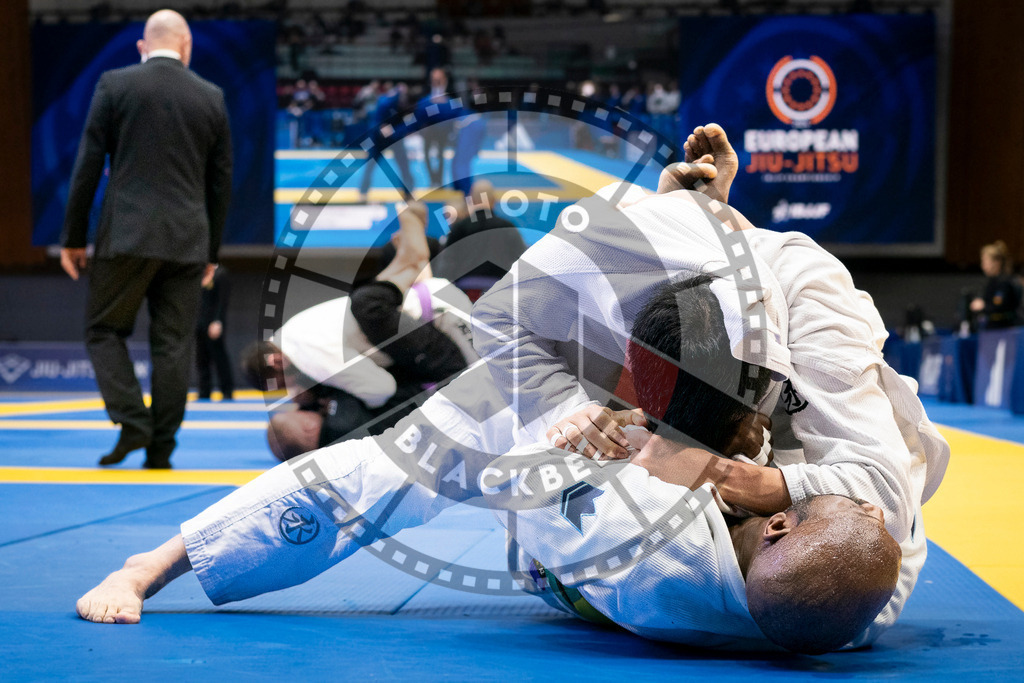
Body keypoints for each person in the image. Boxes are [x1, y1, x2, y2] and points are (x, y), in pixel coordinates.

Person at [74, 275, 900, 654]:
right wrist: (753, 472)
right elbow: (877, 499)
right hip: (618, 540)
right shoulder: (851, 607)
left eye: (850, 510)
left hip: (552, 541)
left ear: (783, 524)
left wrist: (584, 429)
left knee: (389, 471)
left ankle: (155, 561)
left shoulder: (632, 516)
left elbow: (474, 476)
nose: (869, 509)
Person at [60, 9, 233, 469]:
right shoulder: (210, 96)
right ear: (186, 45)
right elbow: (221, 183)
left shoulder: (115, 85)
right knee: (174, 345)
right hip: (188, 243)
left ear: (143, 46)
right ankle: (161, 449)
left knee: (103, 330)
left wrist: (73, 239)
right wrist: (211, 252)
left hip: (127, 236)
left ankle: (132, 421)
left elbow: (87, 167)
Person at [241, 204, 477, 461]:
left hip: (442, 318)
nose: (290, 390)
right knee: (368, 304)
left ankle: (411, 261)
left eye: (284, 383)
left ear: (276, 362)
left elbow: (381, 389)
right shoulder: (291, 333)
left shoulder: (312, 360)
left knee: (483, 396)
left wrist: (337, 394)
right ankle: (408, 263)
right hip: (424, 300)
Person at [432, 179, 528, 292]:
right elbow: (521, 261)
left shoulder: (459, 228)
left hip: (466, 291)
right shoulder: (507, 227)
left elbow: (446, 265)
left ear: (471, 200)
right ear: (494, 200)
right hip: (499, 290)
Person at [358, 82, 415, 202]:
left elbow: (408, 126)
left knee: (404, 164)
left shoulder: (409, 106)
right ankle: (363, 192)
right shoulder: (385, 103)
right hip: (378, 138)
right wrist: (382, 129)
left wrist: (395, 131)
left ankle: (409, 191)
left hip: (395, 137)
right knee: (370, 164)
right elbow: (376, 124)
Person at [195, 266, 234, 401]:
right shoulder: (199, 274)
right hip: (200, 324)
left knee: (219, 357)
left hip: (213, 324)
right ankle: (204, 391)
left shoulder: (220, 274)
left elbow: (222, 302)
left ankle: (227, 390)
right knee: (201, 359)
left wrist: (217, 321)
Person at [970, 240, 1021, 329]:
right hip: (991, 327)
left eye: (985, 261)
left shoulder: (1004, 282)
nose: (983, 265)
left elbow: (999, 306)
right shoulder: (991, 282)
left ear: (996, 262)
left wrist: (983, 306)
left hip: (1004, 329)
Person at [418, 69, 456, 187]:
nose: (436, 81)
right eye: (434, 79)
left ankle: (439, 180)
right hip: (429, 130)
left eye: (438, 79)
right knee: (427, 154)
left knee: (440, 155)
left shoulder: (448, 100)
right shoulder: (426, 99)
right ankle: (433, 179)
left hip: (442, 130)